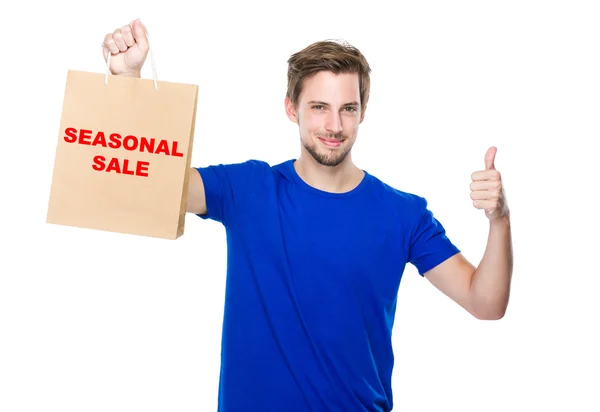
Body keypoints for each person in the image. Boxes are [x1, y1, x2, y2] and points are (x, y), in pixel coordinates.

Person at [102, 19, 513, 412]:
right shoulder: (248, 189)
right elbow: (151, 184)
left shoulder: (403, 214)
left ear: (363, 112)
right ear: (291, 108)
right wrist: (127, 85)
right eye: (319, 107)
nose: (334, 125)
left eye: (347, 109)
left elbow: (486, 302)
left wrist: (499, 220)